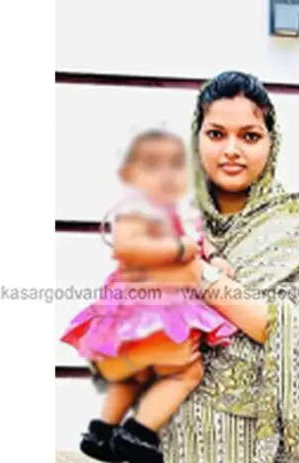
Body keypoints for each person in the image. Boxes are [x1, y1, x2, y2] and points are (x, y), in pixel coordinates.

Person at [107, 71, 299, 463]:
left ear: (272, 143)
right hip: (169, 440)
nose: (232, 150)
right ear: (196, 139)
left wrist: (198, 275)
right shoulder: (169, 220)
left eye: (250, 136)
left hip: (256, 447)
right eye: (216, 134)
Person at [60, 129, 238, 462]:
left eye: (175, 166)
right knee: (187, 372)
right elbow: (128, 246)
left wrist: (214, 258)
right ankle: (138, 433)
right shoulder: (136, 210)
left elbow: (202, 242)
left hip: (153, 311)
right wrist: (178, 249)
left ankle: (102, 433)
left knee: (135, 374)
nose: (166, 175)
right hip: (149, 308)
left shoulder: (182, 213)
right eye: (153, 166)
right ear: (131, 175)